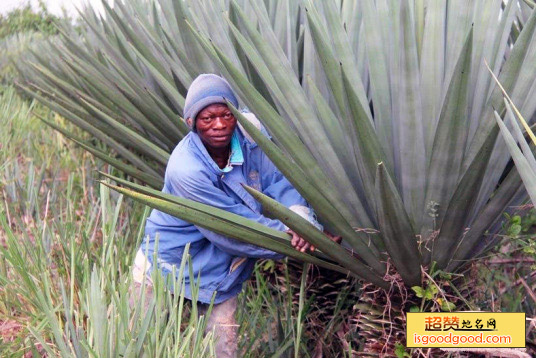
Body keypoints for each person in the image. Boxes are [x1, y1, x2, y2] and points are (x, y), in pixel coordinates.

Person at [132, 74, 337, 358]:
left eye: (227, 115)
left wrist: (302, 222)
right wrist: (296, 237)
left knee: (223, 351)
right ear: (191, 122)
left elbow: (278, 180)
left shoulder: (251, 136)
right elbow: (230, 228)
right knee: (140, 344)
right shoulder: (186, 169)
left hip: (220, 273)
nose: (219, 125)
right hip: (169, 263)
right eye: (208, 118)